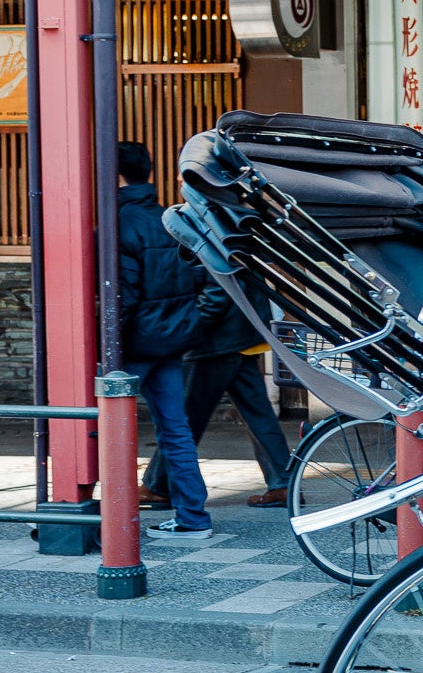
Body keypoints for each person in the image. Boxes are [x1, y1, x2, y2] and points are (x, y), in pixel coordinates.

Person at [115, 141, 213, 541]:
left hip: (135, 343)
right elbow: (198, 276)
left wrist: (109, 344)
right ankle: (193, 517)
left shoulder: (119, 223)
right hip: (172, 339)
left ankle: (104, 519)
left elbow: (124, 293)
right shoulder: (170, 219)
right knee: (176, 429)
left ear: (113, 175)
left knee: (98, 427)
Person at [139, 281, 292, 509]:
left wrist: (186, 329)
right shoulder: (228, 244)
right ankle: (284, 483)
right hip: (237, 335)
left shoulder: (204, 244)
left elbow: (216, 293)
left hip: (214, 342)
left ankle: (158, 486)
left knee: (184, 417)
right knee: (258, 416)